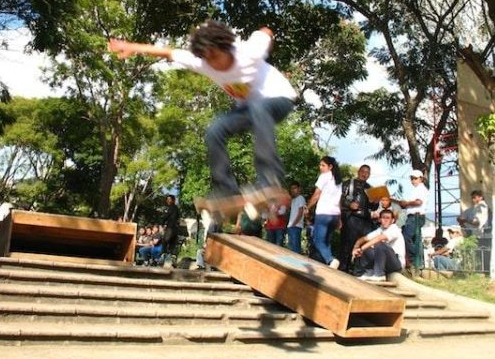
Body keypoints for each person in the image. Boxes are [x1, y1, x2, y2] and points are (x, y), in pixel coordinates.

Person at [108, 21, 297, 206]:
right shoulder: (203, 62)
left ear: (225, 47)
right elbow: (169, 52)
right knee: (215, 129)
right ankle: (225, 190)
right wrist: (130, 46)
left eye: (214, 56)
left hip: (280, 98)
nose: (212, 63)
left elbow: (265, 30)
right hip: (250, 110)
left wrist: (269, 38)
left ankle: (269, 180)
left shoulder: (249, 52)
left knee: (259, 107)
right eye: (206, 58)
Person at [338, 165, 378, 273]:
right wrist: (349, 204)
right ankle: (343, 269)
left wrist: (375, 202)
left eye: (367, 173)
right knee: (347, 244)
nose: (365, 174)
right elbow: (338, 198)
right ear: (359, 172)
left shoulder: (371, 188)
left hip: (365, 220)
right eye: (363, 171)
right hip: (351, 218)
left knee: (364, 245)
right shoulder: (348, 184)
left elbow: (374, 207)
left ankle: (358, 271)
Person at [306, 156, 343, 269]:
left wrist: (308, 206)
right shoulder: (338, 180)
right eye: (320, 165)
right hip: (335, 215)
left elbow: (317, 194)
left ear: (330, 167)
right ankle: (328, 265)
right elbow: (340, 200)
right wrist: (340, 218)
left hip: (323, 213)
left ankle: (330, 260)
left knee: (318, 240)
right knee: (326, 241)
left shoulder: (324, 177)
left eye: (323, 165)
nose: (320, 167)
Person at [352, 208, 405, 282]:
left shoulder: (394, 229)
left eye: (388, 218)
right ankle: (368, 273)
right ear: (380, 219)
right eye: (383, 218)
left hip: (396, 264)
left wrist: (361, 249)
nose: (385, 220)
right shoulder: (380, 229)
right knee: (368, 246)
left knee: (379, 244)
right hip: (385, 262)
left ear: (392, 220)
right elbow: (364, 238)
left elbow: (379, 238)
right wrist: (356, 247)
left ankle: (379, 275)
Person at [395, 169, 429, 269]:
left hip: (416, 216)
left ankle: (414, 260)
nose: (413, 180)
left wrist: (407, 203)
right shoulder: (416, 189)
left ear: (421, 179)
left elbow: (419, 202)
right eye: (411, 178)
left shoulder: (421, 189)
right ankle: (418, 262)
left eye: (415, 178)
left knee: (405, 237)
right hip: (412, 216)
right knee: (415, 240)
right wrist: (405, 205)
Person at [286, 181, 306, 254]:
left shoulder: (301, 198)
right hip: (291, 226)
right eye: (291, 188)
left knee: (295, 248)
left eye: (295, 188)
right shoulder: (293, 200)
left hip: (296, 226)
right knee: (291, 248)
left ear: (299, 189)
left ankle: (297, 265)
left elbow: (301, 212)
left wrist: (293, 224)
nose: (293, 190)